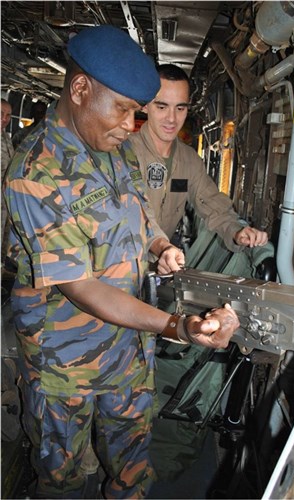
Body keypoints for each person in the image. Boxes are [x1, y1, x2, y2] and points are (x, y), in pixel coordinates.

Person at [3, 26, 240, 499]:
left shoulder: (112, 152)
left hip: (129, 346)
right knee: (62, 473)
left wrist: (159, 247)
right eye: (124, 109)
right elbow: (81, 287)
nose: (131, 125)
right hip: (63, 359)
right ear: (80, 89)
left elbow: (138, 213)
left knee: (132, 467)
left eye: (137, 113)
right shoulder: (36, 172)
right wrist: (178, 327)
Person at [129, 64, 269, 272]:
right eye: (162, 106)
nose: (172, 118)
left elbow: (212, 205)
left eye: (180, 108)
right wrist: (162, 246)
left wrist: (237, 231)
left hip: (156, 264)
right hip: (118, 265)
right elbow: (136, 212)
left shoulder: (189, 161)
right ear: (145, 105)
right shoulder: (124, 152)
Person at [1, 98, 14, 262]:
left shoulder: (5, 137)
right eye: (1, 114)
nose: (4, 119)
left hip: (5, 203)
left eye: (8, 115)